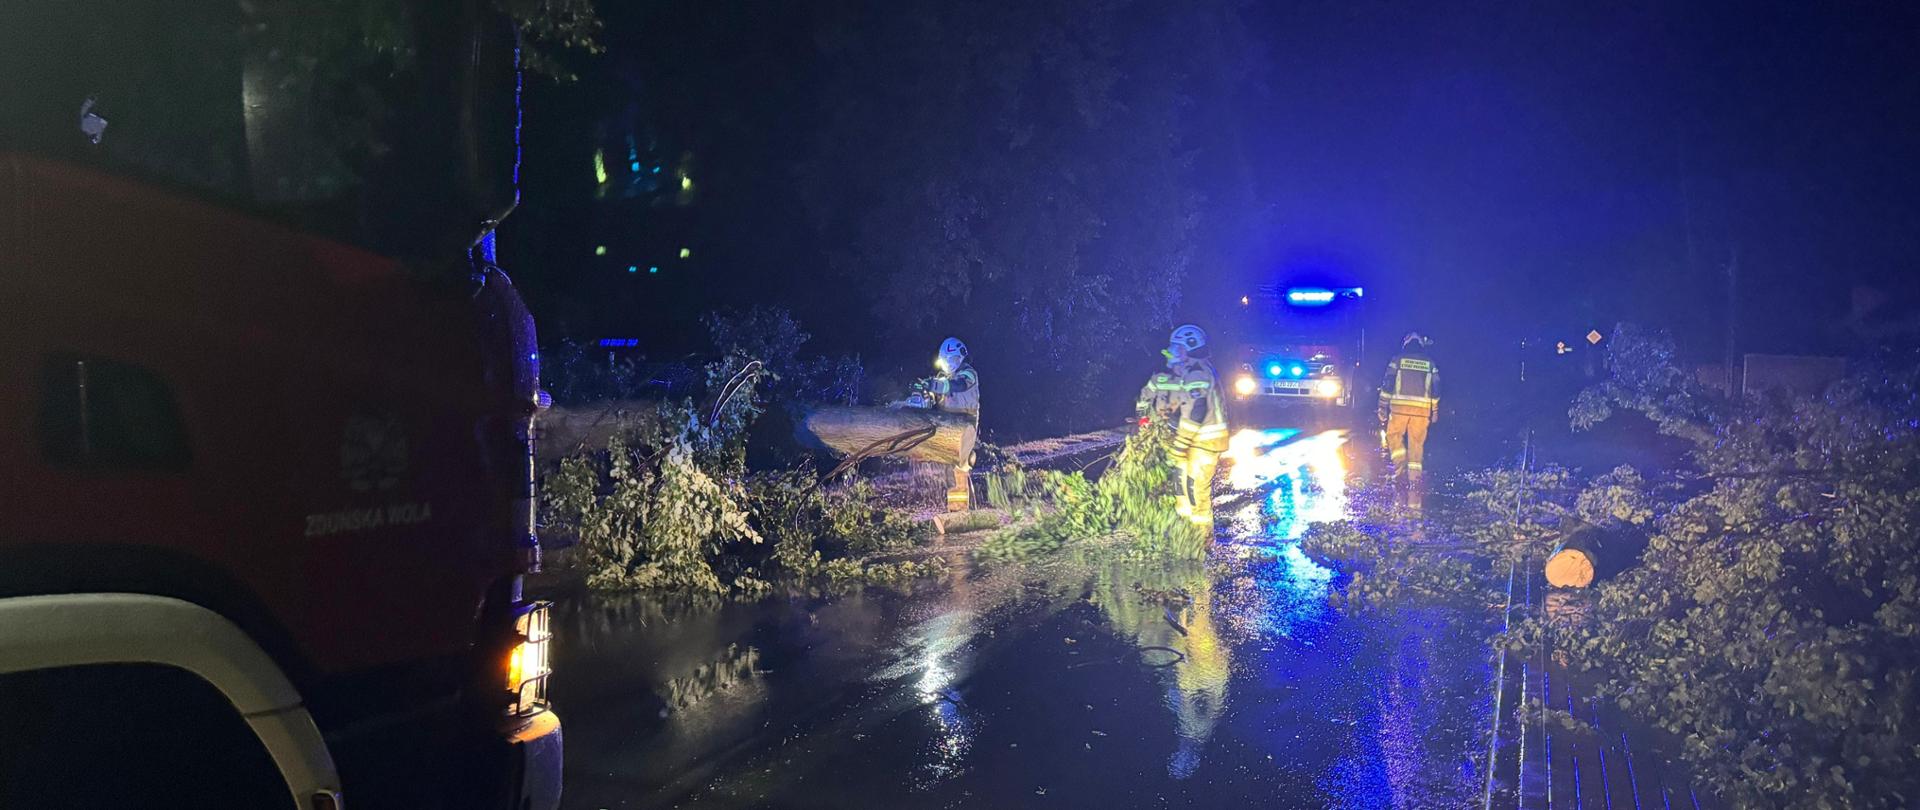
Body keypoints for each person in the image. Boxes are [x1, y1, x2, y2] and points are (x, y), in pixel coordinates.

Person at [1136, 324, 1229, 526]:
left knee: (1195, 491)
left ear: (1188, 349)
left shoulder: (1198, 373)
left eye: (1176, 348)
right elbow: (1159, 398)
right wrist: (1151, 420)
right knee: (1182, 489)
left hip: (1204, 442)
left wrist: (1180, 444)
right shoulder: (1183, 374)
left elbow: (1197, 409)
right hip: (1189, 441)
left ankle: (1201, 537)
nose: (1171, 352)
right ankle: (1184, 530)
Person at [1378, 332, 1441, 501]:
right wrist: (1435, 411)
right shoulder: (1430, 364)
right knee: (1416, 445)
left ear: (1405, 345)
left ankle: (1400, 471)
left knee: (1394, 437)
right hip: (1422, 412)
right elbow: (1436, 388)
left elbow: (1387, 384)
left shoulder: (1397, 361)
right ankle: (1414, 480)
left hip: (1399, 410)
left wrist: (1382, 406)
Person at [923, 337, 979, 512]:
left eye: (953, 359)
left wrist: (937, 385)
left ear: (961, 357)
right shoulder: (941, 378)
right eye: (946, 361)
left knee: (960, 466)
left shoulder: (969, 373)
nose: (950, 364)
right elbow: (935, 397)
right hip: (946, 425)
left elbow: (960, 385)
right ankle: (958, 508)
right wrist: (925, 391)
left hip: (965, 424)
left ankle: (960, 510)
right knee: (948, 468)